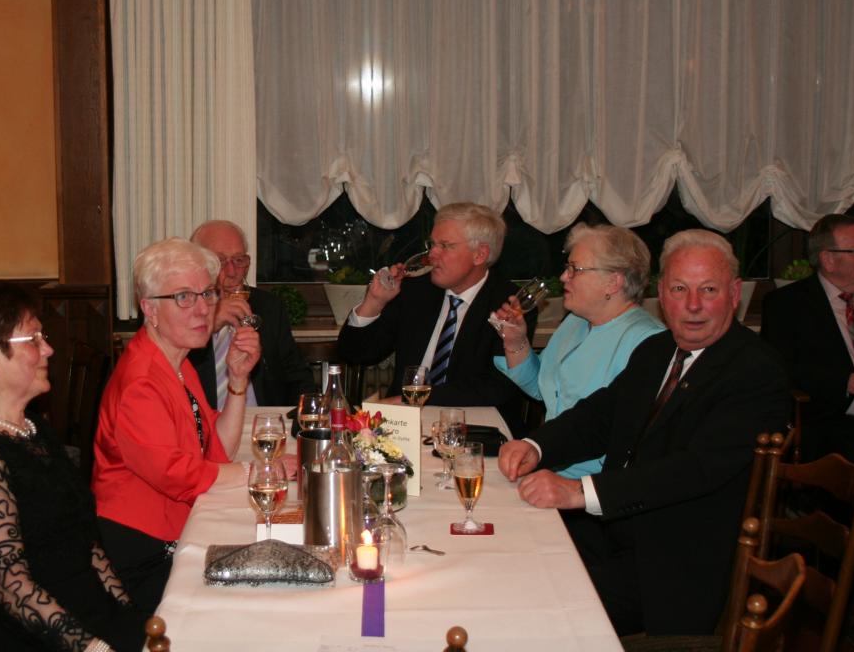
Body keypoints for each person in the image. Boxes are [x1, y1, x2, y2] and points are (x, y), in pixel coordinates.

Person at [497, 229, 789, 636]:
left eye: (708, 289)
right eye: (679, 288)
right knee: (505, 552)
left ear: (735, 293)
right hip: (616, 533)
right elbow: (601, 416)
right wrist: (536, 445)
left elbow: (694, 469)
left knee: (531, 604)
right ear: (661, 293)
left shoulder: (755, 371)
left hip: (673, 565)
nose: (692, 305)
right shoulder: (658, 350)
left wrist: (579, 491)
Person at [0, 282, 146, 652]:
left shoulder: (33, 429)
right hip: (23, 635)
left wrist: (130, 616)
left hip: (83, 615)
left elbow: (88, 544)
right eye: (33, 339)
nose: (48, 349)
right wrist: (94, 648)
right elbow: (10, 583)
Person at [93, 237, 260, 612]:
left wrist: (237, 381)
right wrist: (260, 473)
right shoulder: (141, 381)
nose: (203, 310)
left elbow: (216, 449)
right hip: (143, 551)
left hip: (181, 528)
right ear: (149, 308)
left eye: (208, 294)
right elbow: (181, 476)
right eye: (184, 297)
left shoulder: (176, 362)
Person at [336, 202, 536, 433]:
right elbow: (355, 353)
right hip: (402, 426)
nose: (432, 254)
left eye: (445, 246)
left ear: (480, 254)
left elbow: (496, 388)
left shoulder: (509, 305)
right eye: (432, 244)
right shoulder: (416, 291)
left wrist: (415, 397)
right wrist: (374, 302)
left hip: (475, 426)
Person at [490, 224, 664, 479]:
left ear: (613, 282)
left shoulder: (648, 341)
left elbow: (624, 434)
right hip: (547, 464)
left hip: (594, 483)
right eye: (567, 267)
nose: (563, 277)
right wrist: (516, 341)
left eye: (575, 269)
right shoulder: (575, 322)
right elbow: (542, 387)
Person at [762, 214, 854, 472]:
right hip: (832, 421)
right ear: (828, 259)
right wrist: (846, 382)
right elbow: (778, 371)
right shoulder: (786, 305)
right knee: (851, 465)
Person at [188, 219, 316, 409]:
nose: (232, 272)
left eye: (239, 260)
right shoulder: (182, 309)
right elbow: (169, 372)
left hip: (262, 420)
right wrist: (209, 323)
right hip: (202, 421)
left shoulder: (269, 306)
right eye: (220, 261)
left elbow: (297, 376)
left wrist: (303, 415)